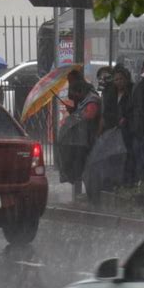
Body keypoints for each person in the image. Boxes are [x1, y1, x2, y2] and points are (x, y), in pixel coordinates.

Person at [57, 70, 101, 199]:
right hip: (82, 139)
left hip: (89, 138)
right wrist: (74, 111)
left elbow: (89, 116)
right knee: (83, 167)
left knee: (88, 167)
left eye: (76, 93)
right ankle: (87, 193)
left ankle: (92, 195)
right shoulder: (84, 98)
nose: (75, 96)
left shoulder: (91, 100)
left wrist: (77, 115)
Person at [102, 64, 136, 186]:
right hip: (114, 130)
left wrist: (126, 119)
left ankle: (128, 182)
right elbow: (107, 112)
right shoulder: (111, 93)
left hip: (128, 131)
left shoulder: (132, 91)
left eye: (121, 79)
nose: (119, 82)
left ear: (126, 79)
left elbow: (134, 110)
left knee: (128, 157)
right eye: (116, 80)